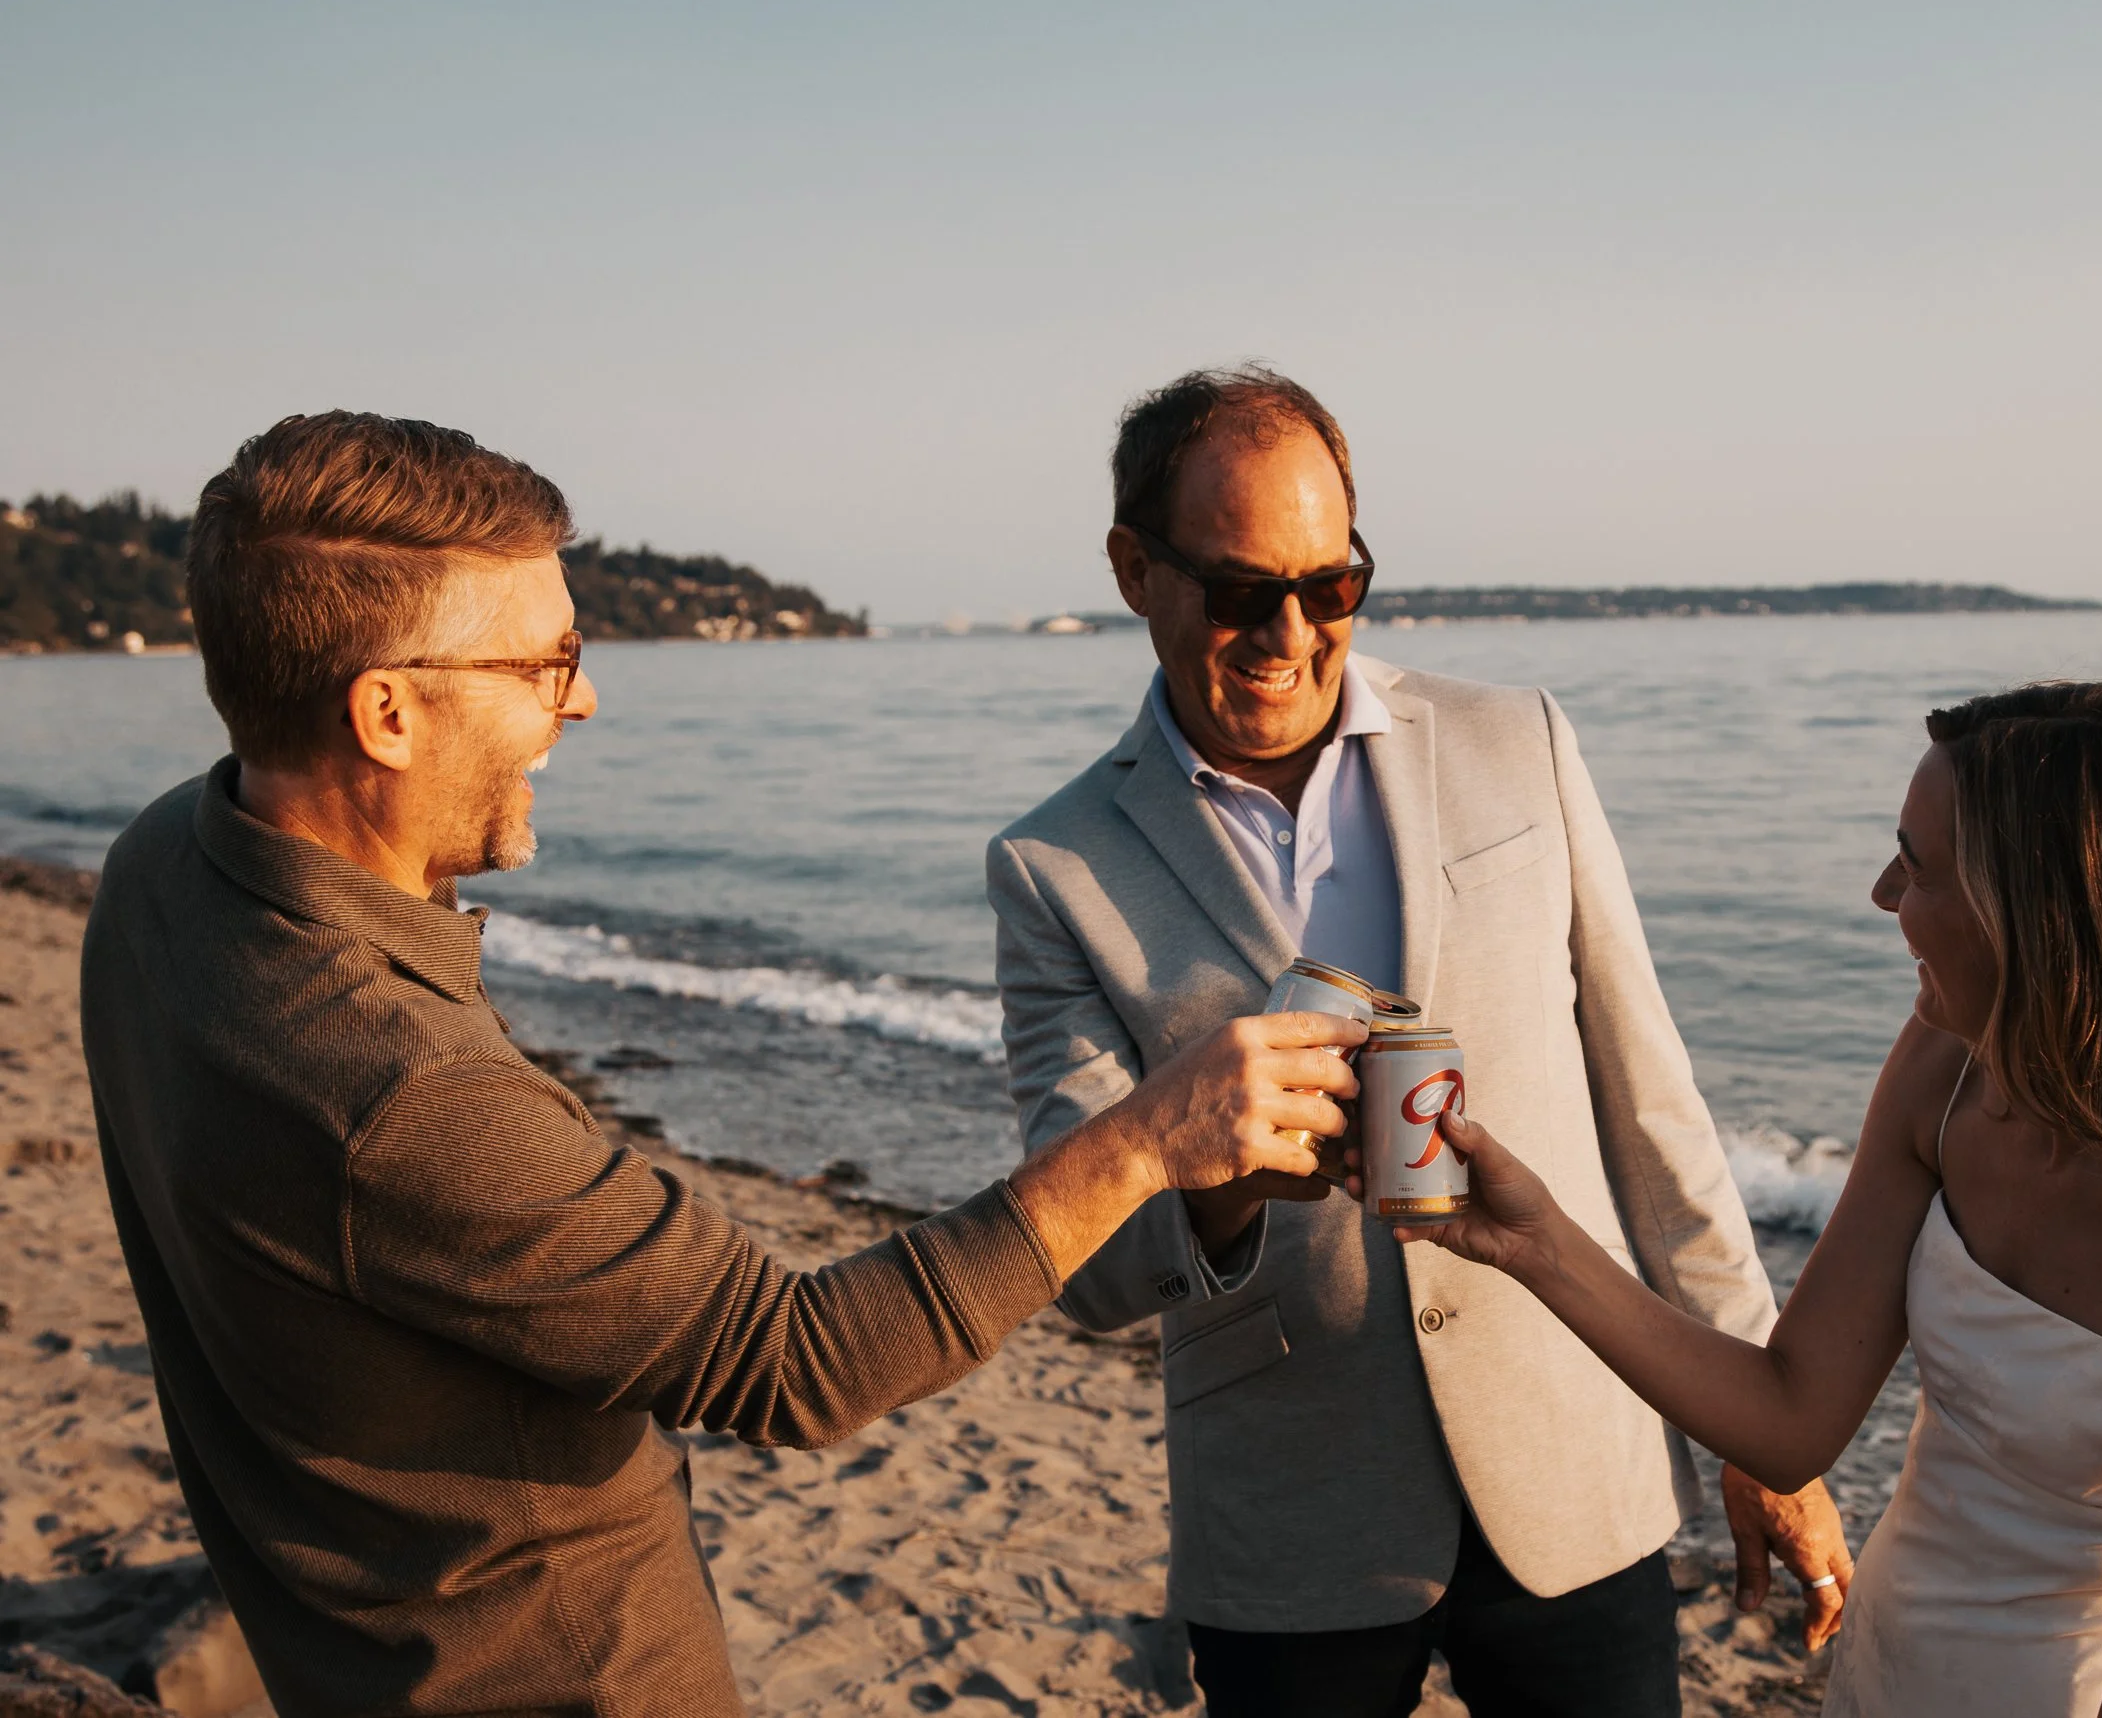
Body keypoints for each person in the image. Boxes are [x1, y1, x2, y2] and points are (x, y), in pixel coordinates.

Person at [80, 411, 1364, 1718]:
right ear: (389, 711)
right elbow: (800, 1359)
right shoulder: (404, 1096)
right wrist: (1145, 1137)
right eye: (544, 659)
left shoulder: (160, 873)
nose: (582, 696)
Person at [986, 366, 1850, 1717]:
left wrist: (1757, 1423)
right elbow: (1081, 1264)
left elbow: (1652, 1108)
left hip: (1575, 1460)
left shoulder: (1521, 743)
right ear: (1132, 568)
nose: (1286, 631)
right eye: (1236, 590)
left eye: (1329, 586)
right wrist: (1221, 1187)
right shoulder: (1055, 867)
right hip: (1291, 1517)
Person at [1391, 682, 2102, 1717]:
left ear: (2043, 908)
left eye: (1919, 864)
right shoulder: (1949, 1065)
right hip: (1880, 1670)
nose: (1884, 893)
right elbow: (1788, 1418)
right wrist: (1536, 1246)